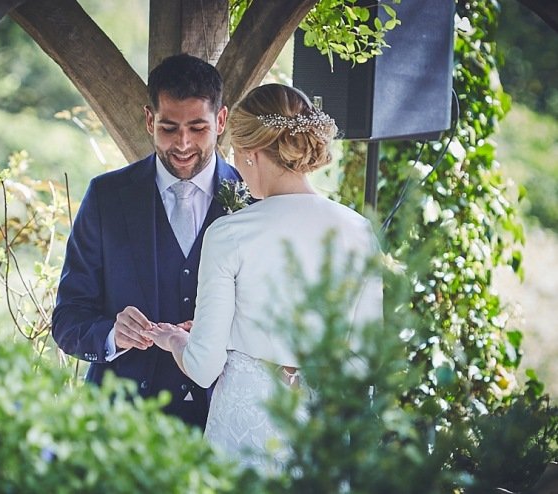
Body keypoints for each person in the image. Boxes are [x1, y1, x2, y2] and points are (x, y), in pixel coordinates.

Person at [144, 83, 384, 471]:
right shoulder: (359, 231)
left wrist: (174, 339)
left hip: (245, 432)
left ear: (252, 154)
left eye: (237, 154)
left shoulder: (229, 233)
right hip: (323, 437)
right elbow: (364, 364)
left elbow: (204, 367)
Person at [51, 53, 242, 429]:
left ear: (220, 120)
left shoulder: (253, 200)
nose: (183, 144)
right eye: (169, 128)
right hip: (120, 426)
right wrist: (111, 334)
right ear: (149, 119)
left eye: (198, 128)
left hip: (221, 421)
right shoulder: (106, 197)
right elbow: (68, 318)